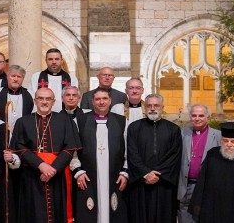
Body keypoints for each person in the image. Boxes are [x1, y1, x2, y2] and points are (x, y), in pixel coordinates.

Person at [9, 87, 80, 223]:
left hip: (58, 176)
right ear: (35, 101)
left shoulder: (65, 120)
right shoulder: (23, 122)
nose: (44, 102)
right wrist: (40, 165)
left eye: (48, 99)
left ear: (53, 102)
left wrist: (53, 169)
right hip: (32, 175)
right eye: (41, 98)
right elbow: (19, 147)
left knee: (58, 211)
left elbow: (70, 147)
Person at [71, 88, 128, 223]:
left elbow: (127, 151)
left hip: (114, 176)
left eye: (105, 99)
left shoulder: (121, 121)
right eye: (97, 99)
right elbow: (72, 151)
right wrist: (78, 171)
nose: (101, 102)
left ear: (110, 101)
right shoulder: (80, 120)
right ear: (92, 102)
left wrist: (125, 172)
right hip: (88, 176)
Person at [126, 94, 182, 222]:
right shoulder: (134, 128)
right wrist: (145, 173)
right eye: (149, 105)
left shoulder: (174, 129)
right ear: (144, 108)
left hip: (164, 184)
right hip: (140, 183)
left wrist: (157, 174)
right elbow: (132, 154)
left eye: (156, 105)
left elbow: (174, 156)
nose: (152, 108)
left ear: (162, 107)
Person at [188, 122, 234, 222]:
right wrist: (198, 206)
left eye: (233, 141)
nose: (229, 144)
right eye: (225, 141)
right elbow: (202, 182)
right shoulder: (212, 155)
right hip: (214, 207)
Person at [177, 104, 221, 223]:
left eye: (201, 115)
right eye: (194, 115)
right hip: (186, 186)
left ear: (208, 117)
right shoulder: (181, 133)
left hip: (207, 187)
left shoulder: (218, 135)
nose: (197, 118)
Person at [29, 48, 79, 112]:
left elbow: (74, 99)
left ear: (62, 61)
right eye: (50, 59)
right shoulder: (36, 77)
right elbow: (32, 99)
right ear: (46, 61)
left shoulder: (71, 78)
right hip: (42, 116)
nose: (54, 62)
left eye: (57, 59)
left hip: (65, 117)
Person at [0, 64, 33, 132]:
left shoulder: (30, 95)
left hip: (22, 132)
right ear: (7, 77)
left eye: (19, 77)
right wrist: (3, 125)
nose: (16, 79)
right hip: (0, 131)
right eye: (13, 76)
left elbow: (33, 114)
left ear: (23, 79)